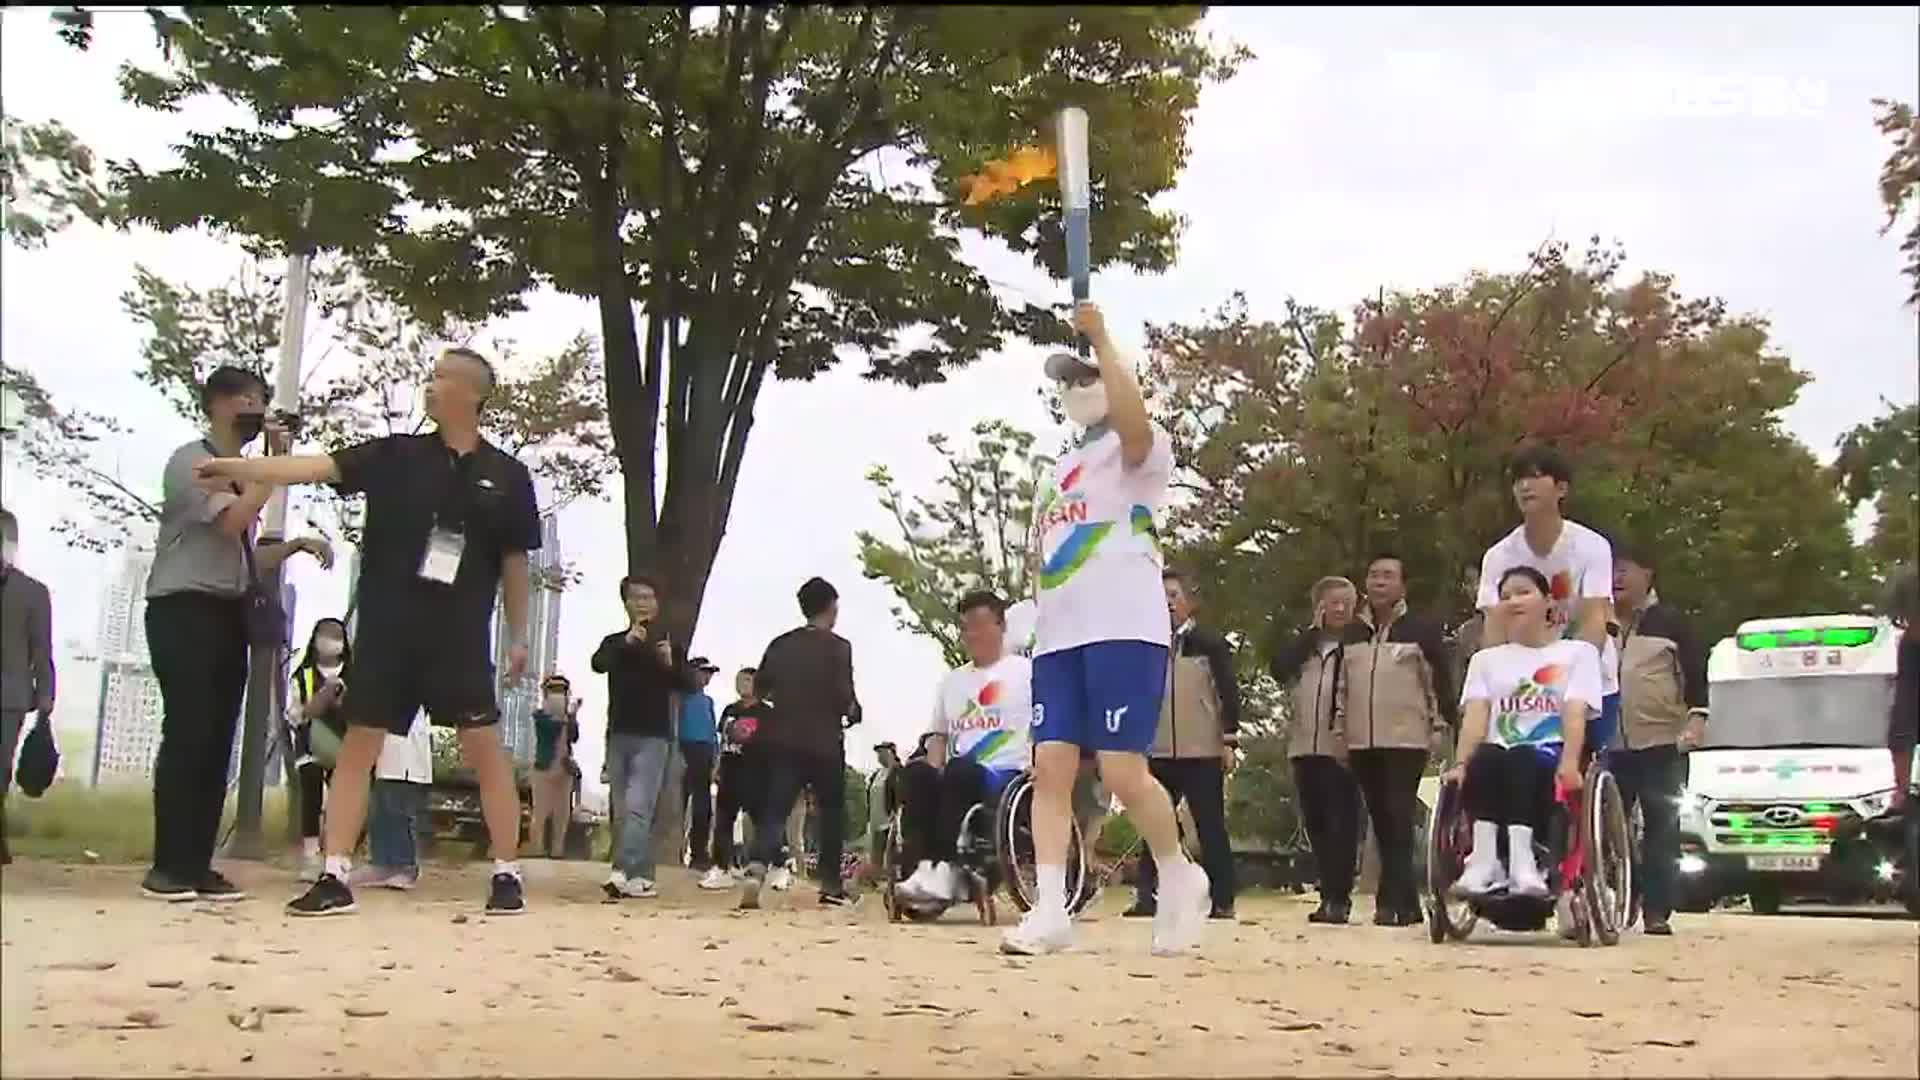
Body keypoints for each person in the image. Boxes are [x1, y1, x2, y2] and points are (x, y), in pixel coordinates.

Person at [196, 347, 539, 916]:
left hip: (458, 635)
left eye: (442, 379)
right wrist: (238, 467)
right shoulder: (397, 454)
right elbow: (313, 467)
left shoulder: (507, 476)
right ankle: (334, 875)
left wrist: (520, 634)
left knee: (486, 751)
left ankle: (507, 874)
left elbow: (515, 562)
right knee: (360, 748)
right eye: (429, 377)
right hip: (387, 629)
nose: (430, 387)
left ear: (473, 394)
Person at [1004, 301, 1209, 958]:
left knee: (1122, 772)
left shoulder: (1138, 453)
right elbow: (1042, 554)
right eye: (1068, 380)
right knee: (1050, 768)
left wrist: (1103, 339)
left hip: (1125, 625)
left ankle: (1179, 873)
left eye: (1088, 376)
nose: (1076, 389)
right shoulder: (1054, 474)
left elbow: (1136, 419)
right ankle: (1049, 908)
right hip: (1059, 635)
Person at [147, 366, 333, 902]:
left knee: (216, 740)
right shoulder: (194, 461)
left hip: (228, 611)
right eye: (250, 399)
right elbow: (230, 524)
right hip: (184, 608)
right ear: (221, 404)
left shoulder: (245, 474)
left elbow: (246, 551)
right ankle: (168, 865)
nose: (258, 409)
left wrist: (294, 545)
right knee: (188, 732)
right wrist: (275, 468)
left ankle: (197, 862)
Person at [1447, 566, 1600, 899]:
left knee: (1521, 757)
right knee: (1485, 756)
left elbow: (1575, 711)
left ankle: (1524, 862)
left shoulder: (1577, 654)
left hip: (1550, 751)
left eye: (1523, 592)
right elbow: (1476, 716)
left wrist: (1572, 762)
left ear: (1548, 601)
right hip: (1497, 757)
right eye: (1505, 596)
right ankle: (1485, 861)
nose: (1513, 601)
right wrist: (1460, 763)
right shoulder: (1486, 660)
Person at [1476, 445, 1617, 759]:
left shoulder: (1591, 546)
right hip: (1522, 684)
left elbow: (1594, 620)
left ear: (1561, 488)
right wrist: (1491, 678)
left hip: (1585, 674)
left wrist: (1572, 673)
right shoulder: (1499, 556)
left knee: (1581, 761)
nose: (1524, 486)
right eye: (1518, 480)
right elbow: (1494, 628)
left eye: (1535, 477)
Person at [1340, 553, 1456, 927]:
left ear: (1403, 586)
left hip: (1407, 736)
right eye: (1373, 575)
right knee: (1381, 818)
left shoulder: (1421, 631)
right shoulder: (1353, 634)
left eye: (1388, 576)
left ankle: (1393, 900)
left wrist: (1441, 726)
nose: (1379, 582)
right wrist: (1339, 729)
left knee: (1399, 814)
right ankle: (1403, 903)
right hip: (1361, 738)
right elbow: (1340, 689)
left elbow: (1438, 683)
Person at [897, 590, 1034, 905]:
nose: (971, 634)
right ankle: (922, 866)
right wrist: (931, 770)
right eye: (965, 626)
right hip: (960, 771)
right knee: (918, 774)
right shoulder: (952, 682)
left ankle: (946, 869)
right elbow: (939, 736)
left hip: (1006, 773)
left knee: (961, 768)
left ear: (1000, 626)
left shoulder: (1025, 672)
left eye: (979, 625)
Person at [737, 577, 861, 910]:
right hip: (824, 741)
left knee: (775, 810)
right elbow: (843, 696)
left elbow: (761, 686)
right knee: (831, 812)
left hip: (784, 738)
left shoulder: (780, 644)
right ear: (831, 608)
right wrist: (853, 711)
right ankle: (832, 886)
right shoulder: (839, 647)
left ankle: (756, 868)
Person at [1129, 569, 1240, 921]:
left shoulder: (1210, 643)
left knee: (1210, 825)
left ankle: (1223, 898)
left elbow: (1228, 691)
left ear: (1190, 602)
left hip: (1201, 748)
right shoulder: (1146, 646)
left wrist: (1228, 738)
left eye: (1174, 596)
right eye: (1161, 596)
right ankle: (1148, 895)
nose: (1168, 603)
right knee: (1153, 820)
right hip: (1157, 749)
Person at [1609, 545, 1707, 937]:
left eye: (1625, 570)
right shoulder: (1601, 624)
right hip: (1612, 743)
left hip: (1661, 740)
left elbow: (1695, 676)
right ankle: (1615, 897)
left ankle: (1657, 909)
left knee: (1661, 825)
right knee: (1610, 829)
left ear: (1647, 573)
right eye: (1611, 571)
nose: (1617, 579)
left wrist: (1697, 720)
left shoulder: (1671, 622)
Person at [1269, 575, 1368, 924]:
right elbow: (1278, 669)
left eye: (1346, 602)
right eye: (1332, 602)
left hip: (1342, 746)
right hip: (1303, 744)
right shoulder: (1305, 648)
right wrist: (1311, 633)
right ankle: (1327, 894)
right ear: (1319, 607)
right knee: (1316, 825)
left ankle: (1340, 898)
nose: (1340, 609)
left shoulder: (1362, 643)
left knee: (1342, 823)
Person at [592, 575, 695, 900]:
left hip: (654, 736)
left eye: (649, 597)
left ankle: (621, 871)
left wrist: (669, 664)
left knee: (639, 806)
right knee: (624, 810)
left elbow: (689, 684)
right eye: (636, 597)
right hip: (619, 732)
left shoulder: (667, 646)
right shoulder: (615, 642)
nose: (643, 602)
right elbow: (598, 664)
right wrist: (628, 643)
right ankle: (641, 875)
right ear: (626, 603)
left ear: (657, 603)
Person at [0, 507, 54, 868]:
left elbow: (41, 647)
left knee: (1, 768)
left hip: (9, 696)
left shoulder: (33, 592)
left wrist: (46, 695)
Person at [287, 617, 352, 882]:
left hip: (346, 747)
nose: (331, 641)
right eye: (325, 635)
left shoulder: (354, 673)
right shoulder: (303, 676)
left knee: (343, 799)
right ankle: (311, 855)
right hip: (309, 745)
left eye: (336, 636)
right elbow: (296, 714)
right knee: (311, 795)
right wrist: (323, 696)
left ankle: (338, 855)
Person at [350, 707, 434, 890]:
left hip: (405, 742)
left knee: (398, 807)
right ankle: (382, 864)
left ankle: (405, 865)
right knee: (381, 808)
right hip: (384, 740)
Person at [705, 667, 771, 887]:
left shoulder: (766, 713)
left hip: (755, 774)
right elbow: (723, 741)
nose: (742, 684)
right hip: (729, 771)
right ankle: (721, 867)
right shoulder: (729, 710)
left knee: (761, 822)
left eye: (748, 680)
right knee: (723, 822)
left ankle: (772, 865)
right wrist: (716, 766)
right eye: (739, 680)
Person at [679, 657, 723, 876]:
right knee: (680, 802)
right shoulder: (680, 697)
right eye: (703, 672)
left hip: (704, 752)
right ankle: (677, 850)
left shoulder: (708, 702)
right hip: (685, 749)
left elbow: (713, 732)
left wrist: (716, 760)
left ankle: (699, 852)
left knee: (703, 805)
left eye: (709, 673)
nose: (706, 677)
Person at [529, 675, 581, 858]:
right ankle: (536, 847)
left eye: (561, 691)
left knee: (562, 812)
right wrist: (568, 718)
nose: (558, 695)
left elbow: (573, 737)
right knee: (540, 811)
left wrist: (572, 718)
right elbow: (551, 730)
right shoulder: (539, 716)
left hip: (563, 768)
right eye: (554, 691)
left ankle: (557, 848)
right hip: (543, 768)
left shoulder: (568, 718)